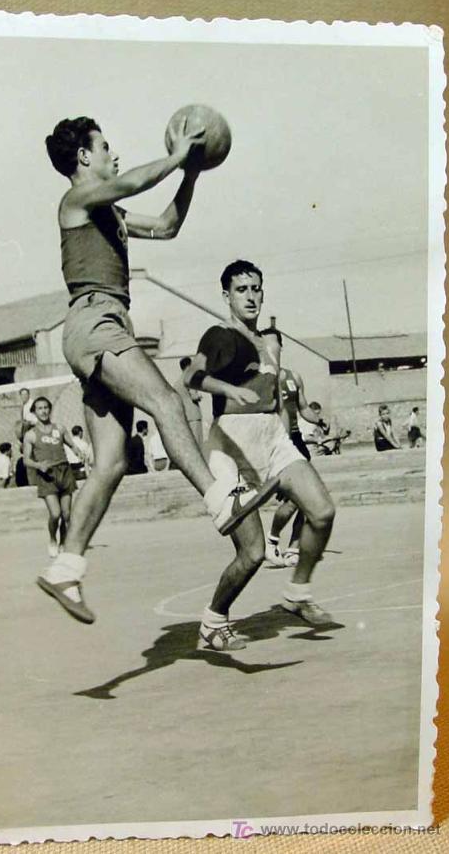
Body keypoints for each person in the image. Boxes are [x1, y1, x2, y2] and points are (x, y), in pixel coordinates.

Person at [38, 116, 280, 623]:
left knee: (110, 463)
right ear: (83, 157)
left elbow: (167, 226)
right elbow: (129, 180)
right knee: (168, 401)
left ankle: (65, 567)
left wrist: (190, 173)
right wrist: (175, 156)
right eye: (105, 146)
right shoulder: (77, 202)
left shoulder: (112, 211)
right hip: (96, 322)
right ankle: (220, 499)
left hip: (103, 325)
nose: (113, 154)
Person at [185, 260, 336, 651]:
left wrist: (292, 431)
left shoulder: (269, 344)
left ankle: (296, 593)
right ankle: (214, 620)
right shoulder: (219, 336)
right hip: (231, 446)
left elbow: (281, 401)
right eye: (241, 290)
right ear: (226, 297)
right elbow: (192, 378)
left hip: (271, 439)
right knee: (252, 553)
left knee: (321, 512)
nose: (250, 296)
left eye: (256, 288)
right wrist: (229, 390)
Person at [265, 367, 323, 568]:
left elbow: (304, 407)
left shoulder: (294, 377)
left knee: (307, 498)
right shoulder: (260, 379)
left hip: (297, 442)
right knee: (292, 501)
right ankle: (272, 540)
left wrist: (319, 421)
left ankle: (293, 547)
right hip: (276, 443)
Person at [23, 397, 81, 558]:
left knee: (66, 514)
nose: (43, 411)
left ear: (50, 409)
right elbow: (26, 459)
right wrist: (38, 465)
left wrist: (77, 450)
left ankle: (63, 542)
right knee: (55, 514)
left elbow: (72, 444)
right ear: (34, 412)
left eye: (46, 407)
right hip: (47, 475)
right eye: (40, 408)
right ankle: (52, 540)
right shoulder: (31, 435)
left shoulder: (60, 428)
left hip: (64, 471)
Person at [174, 357, 203, 448]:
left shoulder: (177, 382)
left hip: (185, 416)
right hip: (194, 415)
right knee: (198, 444)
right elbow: (194, 396)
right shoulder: (190, 379)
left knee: (190, 444)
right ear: (189, 365)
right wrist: (199, 396)